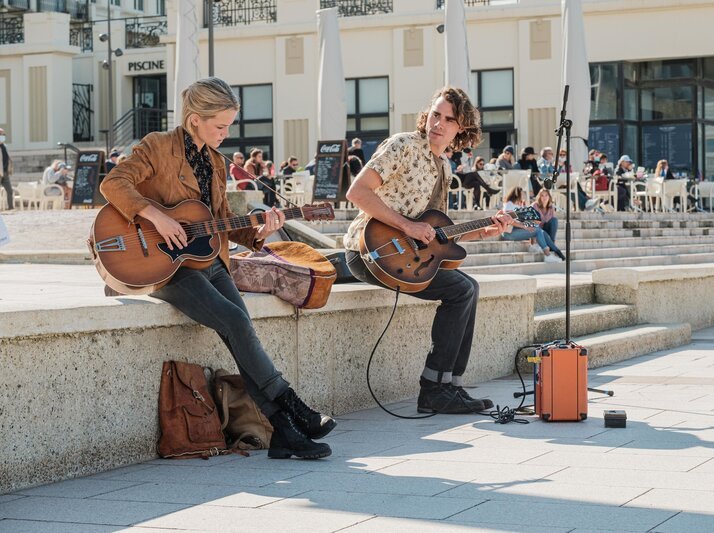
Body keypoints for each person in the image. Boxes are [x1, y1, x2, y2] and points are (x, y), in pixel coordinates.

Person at [99, 77, 335, 459]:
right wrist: (156, 216)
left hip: (210, 262)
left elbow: (221, 220)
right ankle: (291, 407)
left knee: (240, 332)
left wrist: (261, 229)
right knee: (237, 322)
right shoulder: (158, 146)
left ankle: (284, 433)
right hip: (165, 267)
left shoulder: (214, 160)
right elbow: (114, 183)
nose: (226, 134)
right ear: (194, 119)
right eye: (220, 126)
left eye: (229, 125)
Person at [344, 86, 513, 414]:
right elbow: (357, 191)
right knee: (462, 290)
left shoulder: (444, 168)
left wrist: (486, 231)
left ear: (460, 129)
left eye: (449, 119)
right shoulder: (402, 145)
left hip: (404, 256)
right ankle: (434, 389)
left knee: (469, 287)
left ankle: (449, 385)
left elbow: (434, 235)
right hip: (368, 251)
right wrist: (407, 227)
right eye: (436, 114)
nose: (439, 123)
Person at [0, 128, 13, 210]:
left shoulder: (5, 146)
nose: (2, 136)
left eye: (3, 134)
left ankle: (10, 207)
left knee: (10, 191)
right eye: (1, 134)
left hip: (5, 172)